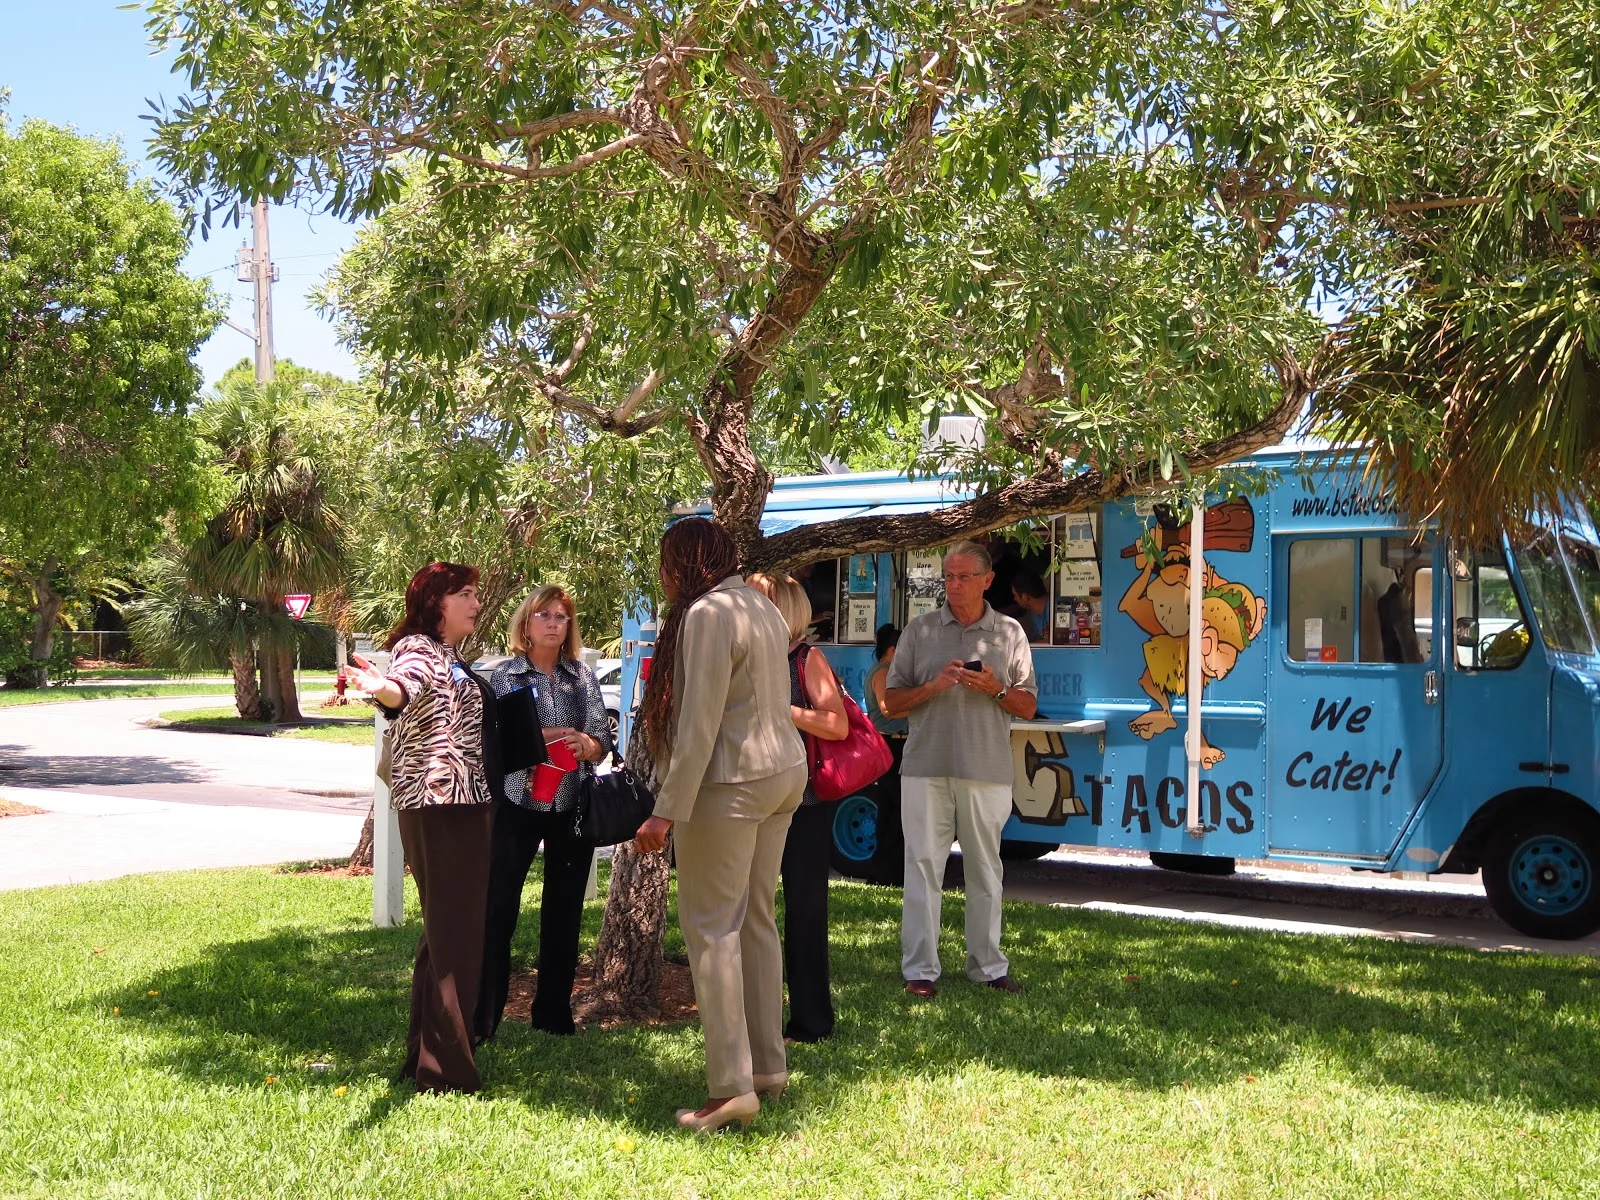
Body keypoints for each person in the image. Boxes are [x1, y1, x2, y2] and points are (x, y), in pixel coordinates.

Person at [632, 519, 807, 1134]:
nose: (662, 576)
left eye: (665, 562)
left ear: (684, 562)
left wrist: (666, 809)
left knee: (712, 930)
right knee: (756, 919)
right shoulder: (759, 603)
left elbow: (699, 723)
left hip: (731, 782)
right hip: (782, 773)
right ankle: (768, 1068)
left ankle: (732, 1088)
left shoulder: (708, 612)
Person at [345, 562, 498, 1094]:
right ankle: (447, 1072)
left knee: (445, 936)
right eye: (465, 594)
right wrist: (381, 686)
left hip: (464, 801)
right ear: (437, 602)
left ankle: (426, 1060)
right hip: (439, 803)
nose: (475, 603)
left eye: (475, 593)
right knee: (455, 938)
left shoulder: (449, 654)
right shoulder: (419, 649)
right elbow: (402, 688)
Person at [883, 540, 1037, 998]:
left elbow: (1028, 706)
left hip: (986, 768)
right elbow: (891, 703)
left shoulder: (1009, 633)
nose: (953, 585)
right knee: (922, 868)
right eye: (948, 576)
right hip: (924, 768)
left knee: (985, 870)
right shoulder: (919, 630)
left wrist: (994, 688)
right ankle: (920, 970)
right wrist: (934, 686)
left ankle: (988, 967)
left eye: (964, 576)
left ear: (988, 580)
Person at [475, 585, 610, 1041]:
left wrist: (586, 744)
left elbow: (601, 738)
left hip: (571, 806)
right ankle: (483, 1017)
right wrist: (547, 736)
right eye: (544, 615)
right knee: (498, 911)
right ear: (526, 623)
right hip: (517, 804)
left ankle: (553, 1016)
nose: (553, 624)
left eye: (561, 617)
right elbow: (496, 744)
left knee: (564, 912)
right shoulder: (506, 676)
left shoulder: (581, 676)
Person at [751, 574, 847, 1043]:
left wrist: (782, 710)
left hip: (803, 801)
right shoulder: (749, 657)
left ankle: (810, 1020)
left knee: (805, 908)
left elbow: (837, 724)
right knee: (752, 908)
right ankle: (756, 1015)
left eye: (757, 600)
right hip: (752, 796)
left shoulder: (805, 658)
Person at [864, 623, 908, 883]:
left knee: (893, 809)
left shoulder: (887, 671)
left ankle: (888, 870)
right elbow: (887, 708)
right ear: (892, 650)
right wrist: (921, 704)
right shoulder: (882, 672)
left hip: (895, 743)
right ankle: (887, 871)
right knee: (895, 810)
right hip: (891, 744)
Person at [1006, 571, 1050, 642]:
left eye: (1015, 595)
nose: (1014, 599)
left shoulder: (1057, 607)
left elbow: (1057, 642)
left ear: (1025, 597)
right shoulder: (1034, 614)